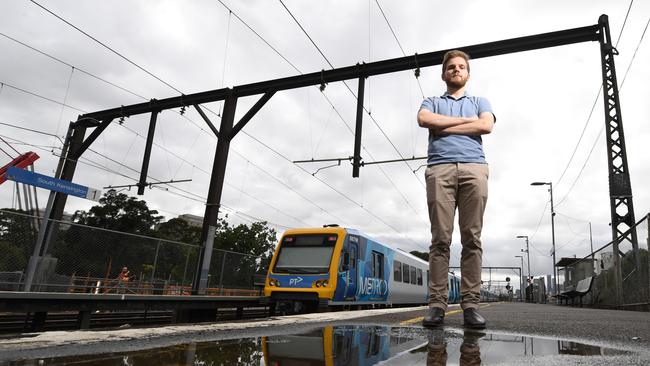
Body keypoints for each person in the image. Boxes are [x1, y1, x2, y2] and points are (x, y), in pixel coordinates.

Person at [417, 50, 495, 329]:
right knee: (440, 239)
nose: (456, 70)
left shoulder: (479, 100)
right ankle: (437, 305)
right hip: (440, 169)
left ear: (468, 74)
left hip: (475, 169)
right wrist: (467, 124)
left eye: (461, 67)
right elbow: (425, 120)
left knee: (472, 239)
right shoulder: (432, 101)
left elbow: (486, 125)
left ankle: (470, 306)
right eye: (451, 67)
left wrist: (446, 126)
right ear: (443, 74)